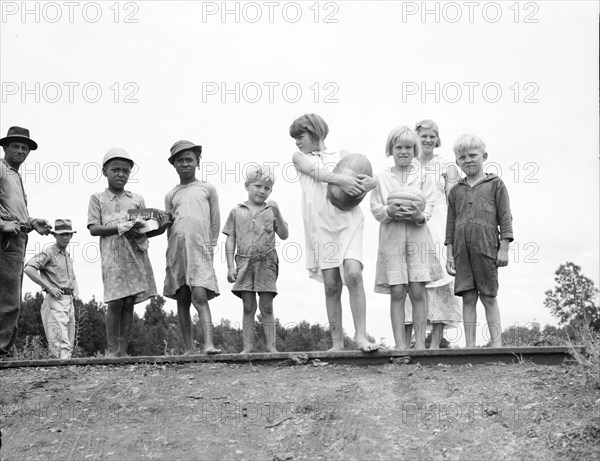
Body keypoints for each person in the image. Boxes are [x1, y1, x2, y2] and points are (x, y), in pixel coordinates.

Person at [290, 114, 379, 352]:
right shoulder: (299, 158)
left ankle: (361, 336)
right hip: (322, 226)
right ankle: (337, 343)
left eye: (301, 136)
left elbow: (367, 179)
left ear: (315, 131)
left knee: (353, 274)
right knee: (331, 284)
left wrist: (371, 183)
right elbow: (317, 173)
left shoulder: (343, 155)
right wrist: (343, 180)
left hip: (348, 221)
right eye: (295, 138)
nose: (298, 141)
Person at [370, 126, 443, 350]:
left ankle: (420, 344)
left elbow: (429, 205)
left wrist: (419, 215)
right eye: (398, 147)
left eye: (409, 147)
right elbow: (375, 207)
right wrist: (388, 212)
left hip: (418, 239)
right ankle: (401, 345)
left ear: (415, 150)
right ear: (390, 149)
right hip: (392, 242)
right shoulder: (380, 179)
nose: (404, 151)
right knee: (398, 291)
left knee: (419, 290)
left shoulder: (423, 178)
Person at [88, 148, 162, 357]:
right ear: (105, 171)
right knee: (115, 299)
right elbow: (94, 228)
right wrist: (120, 227)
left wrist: (161, 225)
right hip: (113, 254)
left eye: (125, 170)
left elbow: (146, 230)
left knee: (129, 300)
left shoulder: (136, 199)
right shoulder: (98, 199)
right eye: (116, 169)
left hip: (135, 253)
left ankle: (123, 351)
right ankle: (111, 350)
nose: (120, 174)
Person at [446, 134, 513, 348]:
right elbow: (450, 224)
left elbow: (505, 218)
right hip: (461, 252)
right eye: (462, 157)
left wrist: (504, 248)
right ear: (457, 161)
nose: (468, 160)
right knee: (467, 298)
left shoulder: (496, 184)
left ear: (484, 156)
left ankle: (497, 345)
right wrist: (449, 254)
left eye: (473, 155)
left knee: (488, 296)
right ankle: (470, 347)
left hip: (487, 248)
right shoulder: (455, 190)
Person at [404, 119, 462, 349]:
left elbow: (455, 201)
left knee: (440, 282)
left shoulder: (447, 167)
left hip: (439, 230)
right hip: (412, 229)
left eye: (432, 136)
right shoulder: (407, 165)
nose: (428, 140)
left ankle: (435, 344)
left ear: (438, 140)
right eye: (423, 136)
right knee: (411, 284)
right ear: (414, 138)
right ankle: (408, 343)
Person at [223, 164, 289, 353]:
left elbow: (284, 235)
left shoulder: (271, 210)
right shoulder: (237, 211)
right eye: (258, 186)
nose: (262, 191)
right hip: (243, 263)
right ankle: (247, 348)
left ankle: (272, 348)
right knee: (248, 305)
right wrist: (230, 266)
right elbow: (230, 238)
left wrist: (278, 212)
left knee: (267, 306)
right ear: (247, 186)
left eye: (267, 188)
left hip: (267, 263)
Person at [163, 140, 221, 355]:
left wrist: (210, 246)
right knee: (183, 298)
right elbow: (168, 224)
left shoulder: (208, 189)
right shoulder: (171, 194)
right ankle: (188, 348)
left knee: (199, 295)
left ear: (197, 161)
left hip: (200, 250)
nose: (185, 163)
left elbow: (215, 221)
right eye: (180, 160)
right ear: (174, 165)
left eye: (189, 159)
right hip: (177, 251)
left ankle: (208, 344)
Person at [0, 126, 52, 355]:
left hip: (18, 236)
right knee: (9, 299)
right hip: (6, 239)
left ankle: (5, 350)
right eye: (16, 146)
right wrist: (2, 225)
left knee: (12, 297)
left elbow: (13, 211)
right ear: (4, 147)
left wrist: (31, 222)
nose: (21, 150)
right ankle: (2, 350)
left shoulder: (14, 175)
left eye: (25, 147)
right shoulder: (1, 169)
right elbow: (7, 218)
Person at [24, 219, 79, 359]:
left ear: (71, 235)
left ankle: (65, 377)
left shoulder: (67, 255)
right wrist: (49, 287)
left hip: (69, 301)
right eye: (62, 234)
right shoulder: (49, 252)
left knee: (68, 344)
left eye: (68, 234)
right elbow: (29, 269)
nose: (65, 237)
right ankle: (61, 376)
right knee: (60, 345)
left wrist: (76, 292)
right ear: (55, 235)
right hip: (55, 300)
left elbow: (72, 276)